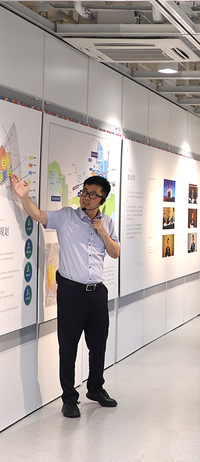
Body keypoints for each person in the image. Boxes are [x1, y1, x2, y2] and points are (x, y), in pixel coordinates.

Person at [9, 173, 120, 418]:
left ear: (102, 199)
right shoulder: (67, 217)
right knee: (68, 347)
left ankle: (96, 388)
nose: (86, 197)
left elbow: (115, 252)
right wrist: (24, 197)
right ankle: (69, 398)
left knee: (98, 345)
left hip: (97, 293)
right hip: (71, 293)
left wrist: (103, 233)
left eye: (93, 194)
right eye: (84, 192)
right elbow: (38, 215)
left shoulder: (108, 223)